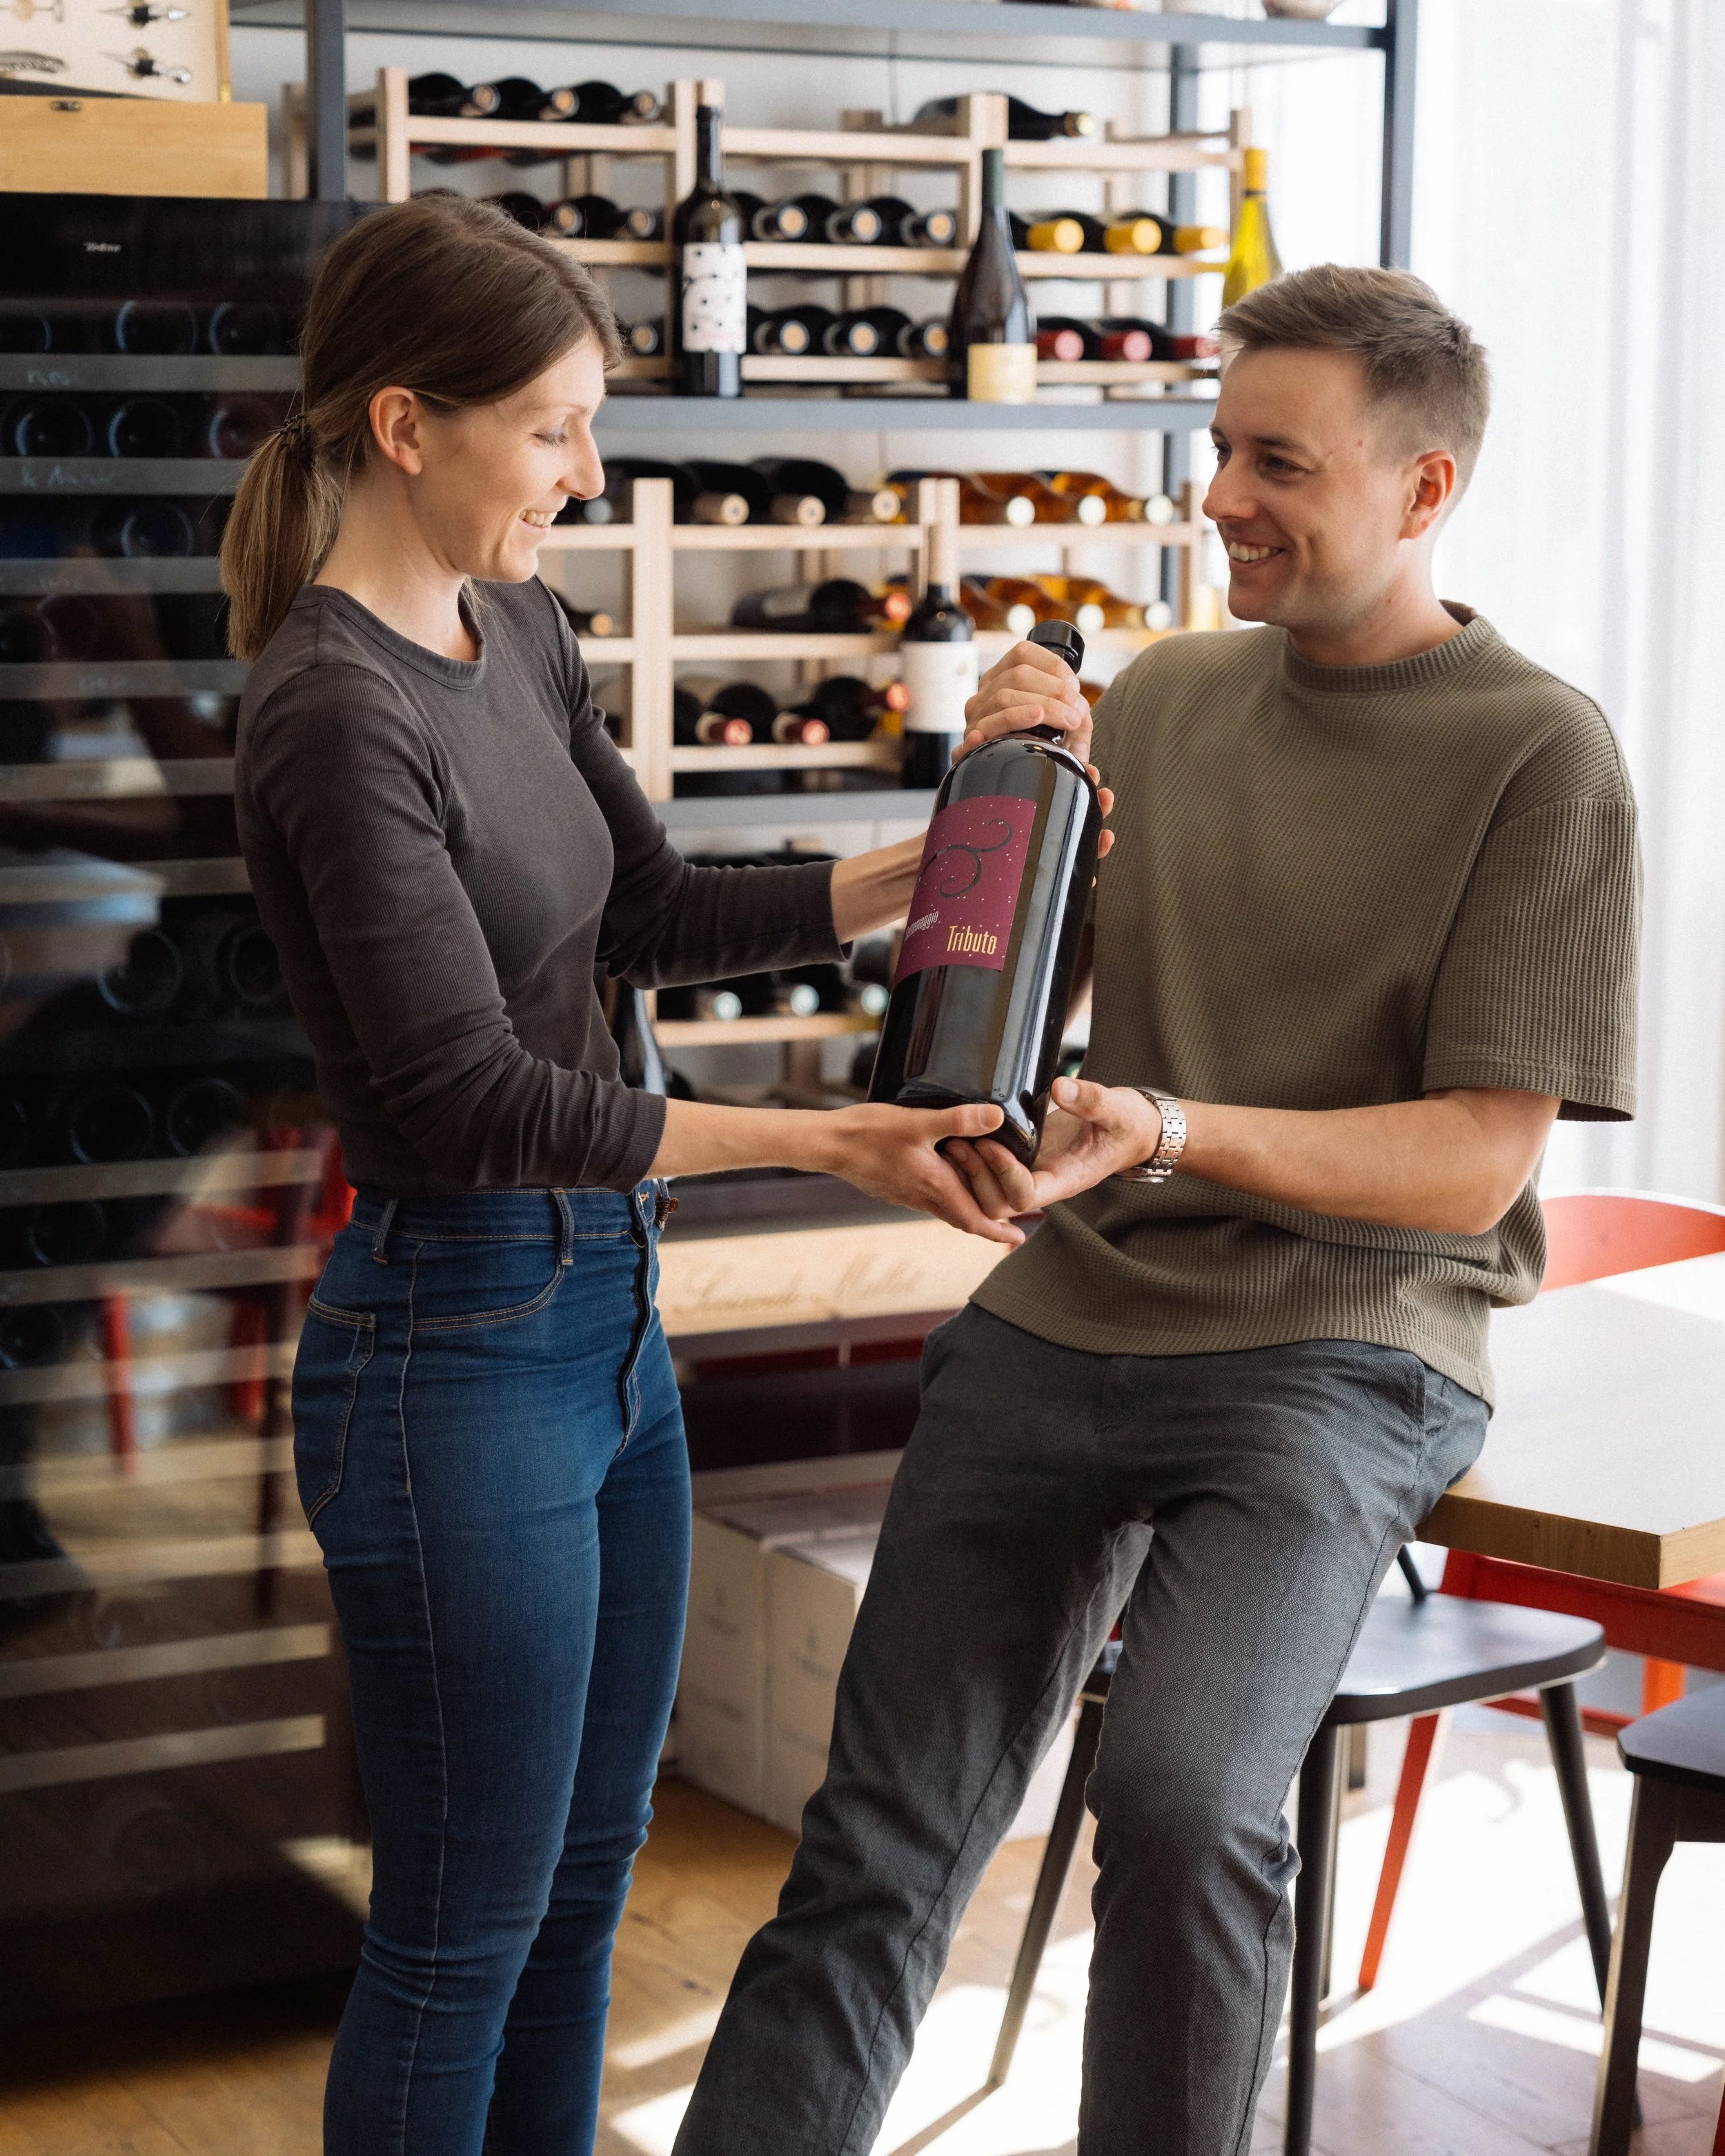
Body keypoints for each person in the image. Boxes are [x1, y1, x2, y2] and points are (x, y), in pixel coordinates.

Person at [673, 265, 1642, 2156]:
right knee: (878, 1835)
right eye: (1217, 449)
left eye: (1276, 460)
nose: (1217, 498)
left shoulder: (1540, 751)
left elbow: (1473, 1160)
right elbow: (1001, 1017)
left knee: (1194, 1798)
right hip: (1067, 1314)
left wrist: (1178, 1125)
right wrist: (1004, 799)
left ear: (1424, 488)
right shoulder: (1174, 696)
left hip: (1342, 1350)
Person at [223, 195, 1130, 2156]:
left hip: (605, 1326)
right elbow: (470, 1096)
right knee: (462, 1925)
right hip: (452, 1345)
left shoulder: (519, 627)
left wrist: (973, 830)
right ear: (408, 425)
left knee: (576, 1882)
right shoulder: (331, 709)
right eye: (553, 427)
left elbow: (644, 908)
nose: (588, 469)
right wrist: (832, 1139)